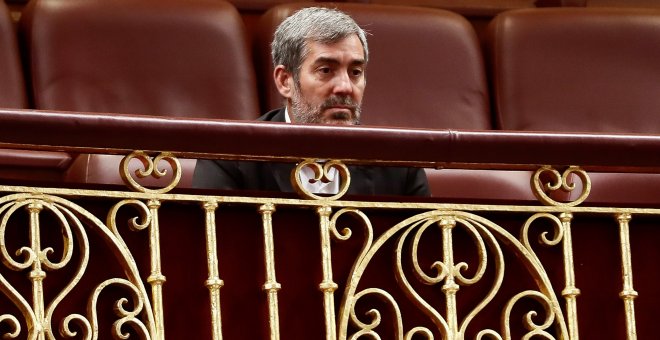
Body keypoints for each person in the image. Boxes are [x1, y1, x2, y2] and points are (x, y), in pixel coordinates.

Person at [193, 7, 429, 197]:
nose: (345, 86)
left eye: (355, 72)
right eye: (326, 70)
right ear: (286, 81)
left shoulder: (399, 165)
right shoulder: (229, 160)